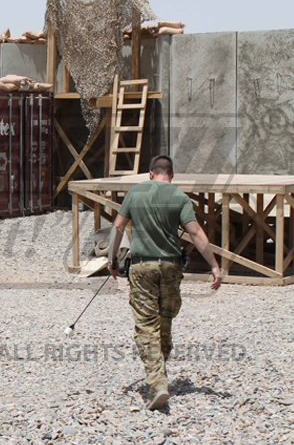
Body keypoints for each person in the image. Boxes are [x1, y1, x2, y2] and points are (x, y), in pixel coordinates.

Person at [107, 155, 222, 411]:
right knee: (165, 322)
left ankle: (158, 382)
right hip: (170, 267)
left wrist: (112, 260)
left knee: (147, 326)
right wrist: (214, 266)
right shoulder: (180, 198)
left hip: (142, 267)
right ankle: (161, 373)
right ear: (172, 174)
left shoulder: (135, 193)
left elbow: (117, 227)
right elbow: (195, 233)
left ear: (150, 173)